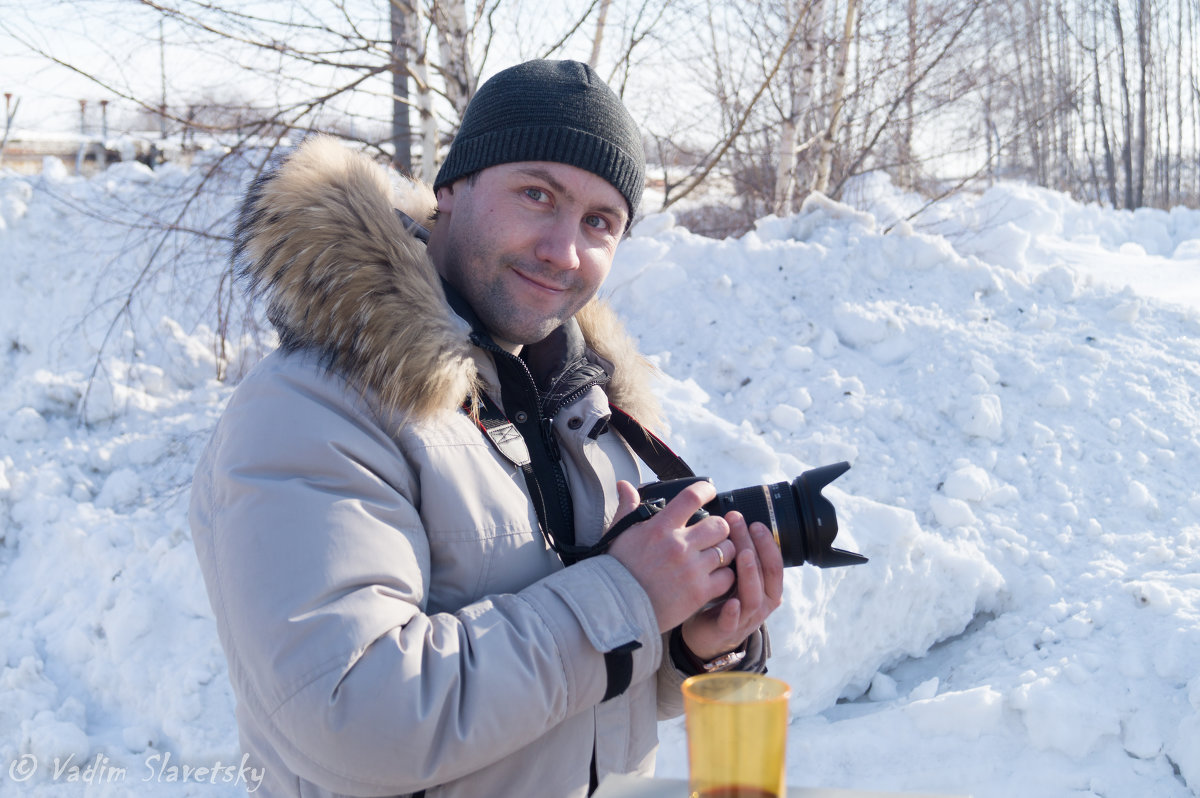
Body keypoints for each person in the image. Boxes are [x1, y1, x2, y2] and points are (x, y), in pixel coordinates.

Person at [189, 59, 784, 798]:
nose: (564, 250)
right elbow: (353, 716)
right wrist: (629, 595)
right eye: (537, 195)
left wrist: (692, 643)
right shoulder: (310, 410)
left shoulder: (582, 407)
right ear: (452, 186)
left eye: (600, 222)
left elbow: (583, 687)